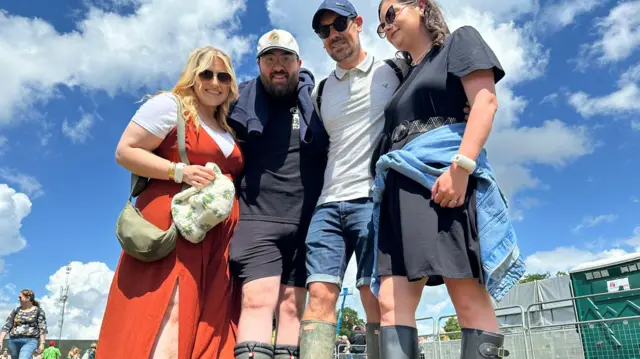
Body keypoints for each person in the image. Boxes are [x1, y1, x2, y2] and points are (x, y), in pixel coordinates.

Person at [372, 0, 525, 358]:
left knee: (468, 299)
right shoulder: (403, 78)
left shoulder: (459, 41)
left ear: (421, 6)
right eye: (382, 25)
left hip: (442, 180)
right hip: (398, 190)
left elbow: (485, 102)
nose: (387, 27)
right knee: (391, 306)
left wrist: (462, 168)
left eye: (391, 14)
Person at [97, 46, 243, 358]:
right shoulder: (170, 106)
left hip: (216, 237)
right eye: (206, 73)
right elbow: (125, 151)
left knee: (207, 315)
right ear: (193, 76)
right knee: (172, 308)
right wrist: (178, 170)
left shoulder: (226, 125)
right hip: (175, 225)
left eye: (223, 76)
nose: (215, 82)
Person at [299, 2, 408, 358]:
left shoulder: (394, 69)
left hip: (374, 199)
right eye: (323, 31)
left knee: (373, 294)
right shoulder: (320, 92)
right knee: (319, 293)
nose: (333, 35)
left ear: (358, 24)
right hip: (327, 205)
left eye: (339, 24)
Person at [227, 29, 327, 359]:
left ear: (299, 62)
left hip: (307, 222)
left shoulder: (317, 100)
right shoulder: (237, 101)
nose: (278, 66)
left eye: (285, 58)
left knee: (292, 311)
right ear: (258, 65)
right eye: (270, 59)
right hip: (257, 218)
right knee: (257, 301)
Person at [0, 290, 47, 359]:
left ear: (28, 298)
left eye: (20, 297)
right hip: (13, 341)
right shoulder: (16, 310)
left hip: (30, 341)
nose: (18, 299)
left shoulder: (38, 311)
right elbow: (7, 325)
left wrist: (42, 343)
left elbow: (42, 328)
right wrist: (1, 340)